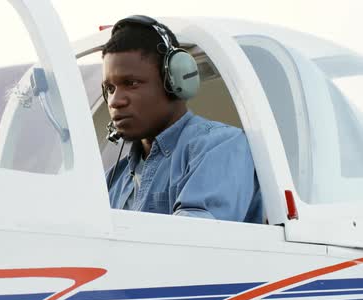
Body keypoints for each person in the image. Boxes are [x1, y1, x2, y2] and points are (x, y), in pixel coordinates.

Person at [103, 15, 262, 223]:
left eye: (131, 83)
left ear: (175, 80)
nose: (115, 101)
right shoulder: (114, 178)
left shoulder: (220, 147)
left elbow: (192, 242)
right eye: (110, 88)